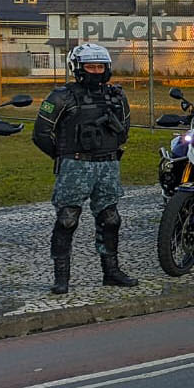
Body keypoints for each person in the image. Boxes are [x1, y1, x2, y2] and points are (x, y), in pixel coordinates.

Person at [33, 43, 137, 294]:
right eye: (91, 67)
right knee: (67, 220)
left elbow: (124, 130)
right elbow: (41, 133)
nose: (96, 71)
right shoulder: (60, 97)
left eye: (100, 67)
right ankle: (61, 278)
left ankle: (111, 272)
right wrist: (64, 156)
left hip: (108, 165)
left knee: (111, 219)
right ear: (78, 68)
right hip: (75, 165)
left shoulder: (117, 96)